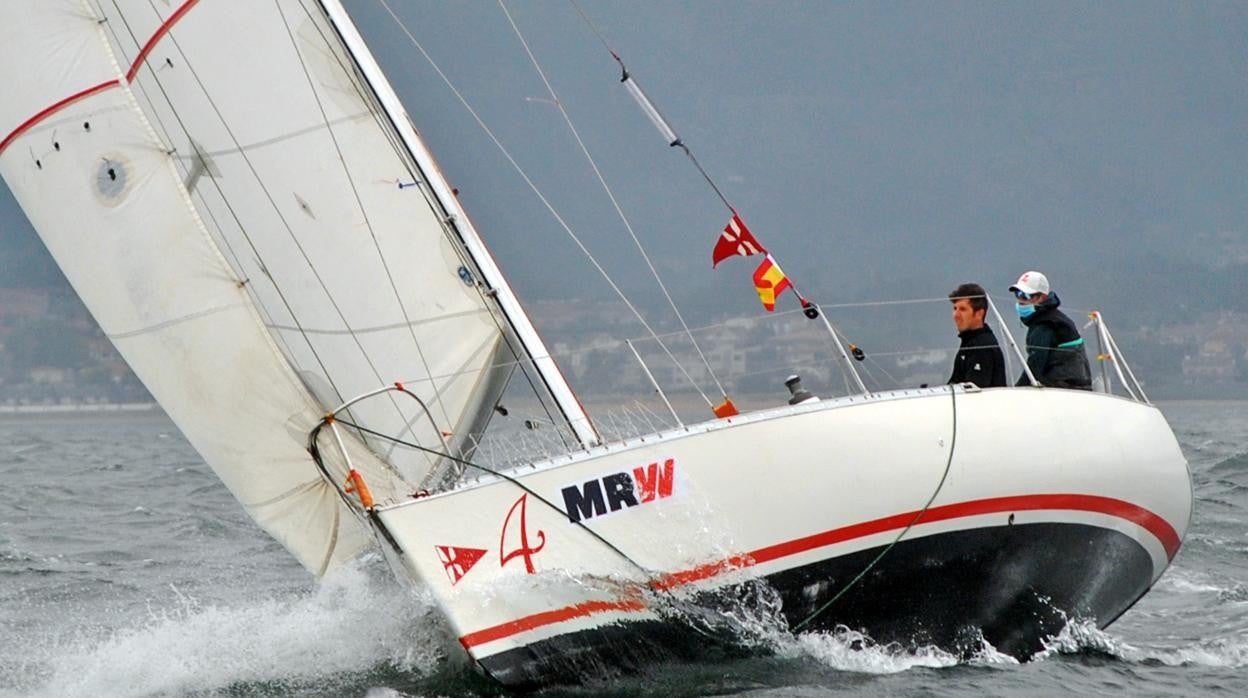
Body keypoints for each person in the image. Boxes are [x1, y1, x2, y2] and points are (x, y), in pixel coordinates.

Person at [1009, 270, 1092, 389]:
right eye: (1018, 294)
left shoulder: (1045, 324)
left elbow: (1035, 366)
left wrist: (1015, 391)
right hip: (1072, 386)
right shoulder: (1051, 317)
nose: (1020, 300)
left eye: (1026, 295)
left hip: (1068, 389)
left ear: (1041, 297)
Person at [946, 283, 1007, 388]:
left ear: (979, 313)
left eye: (963, 309)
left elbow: (974, 392)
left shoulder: (982, 346)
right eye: (955, 308)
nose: (956, 315)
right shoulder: (969, 342)